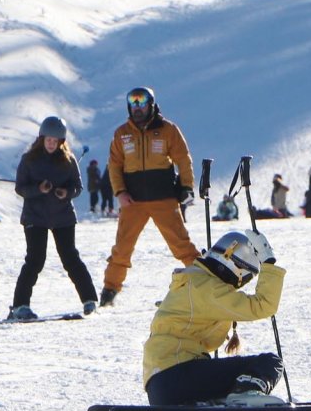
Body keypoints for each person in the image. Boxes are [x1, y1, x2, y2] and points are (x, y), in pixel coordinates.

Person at [142, 231, 285, 407]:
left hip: (160, 388)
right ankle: (246, 392)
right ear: (237, 269)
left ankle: (216, 399)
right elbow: (263, 305)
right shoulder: (207, 288)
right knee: (269, 362)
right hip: (178, 375)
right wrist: (268, 262)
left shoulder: (193, 281)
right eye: (247, 277)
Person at [100, 87, 201, 309]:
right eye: (133, 102)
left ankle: (204, 282)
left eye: (142, 102)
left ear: (151, 104)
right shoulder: (122, 134)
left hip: (163, 198)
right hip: (133, 202)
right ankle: (110, 290)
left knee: (181, 245)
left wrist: (186, 186)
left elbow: (183, 159)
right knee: (122, 249)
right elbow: (114, 165)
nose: (137, 107)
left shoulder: (167, 130)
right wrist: (120, 192)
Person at [10, 117, 100, 320]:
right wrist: (38, 189)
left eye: (55, 140)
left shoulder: (69, 160)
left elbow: (78, 187)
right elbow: (20, 188)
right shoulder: (29, 159)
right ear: (41, 139)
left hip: (62, 216)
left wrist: (66, 193)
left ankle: (90, 300)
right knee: (35, 260)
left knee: (70, 257)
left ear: (61, 141)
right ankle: (20, 305)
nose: (51, 143)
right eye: (48, 139)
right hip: (35, 217)